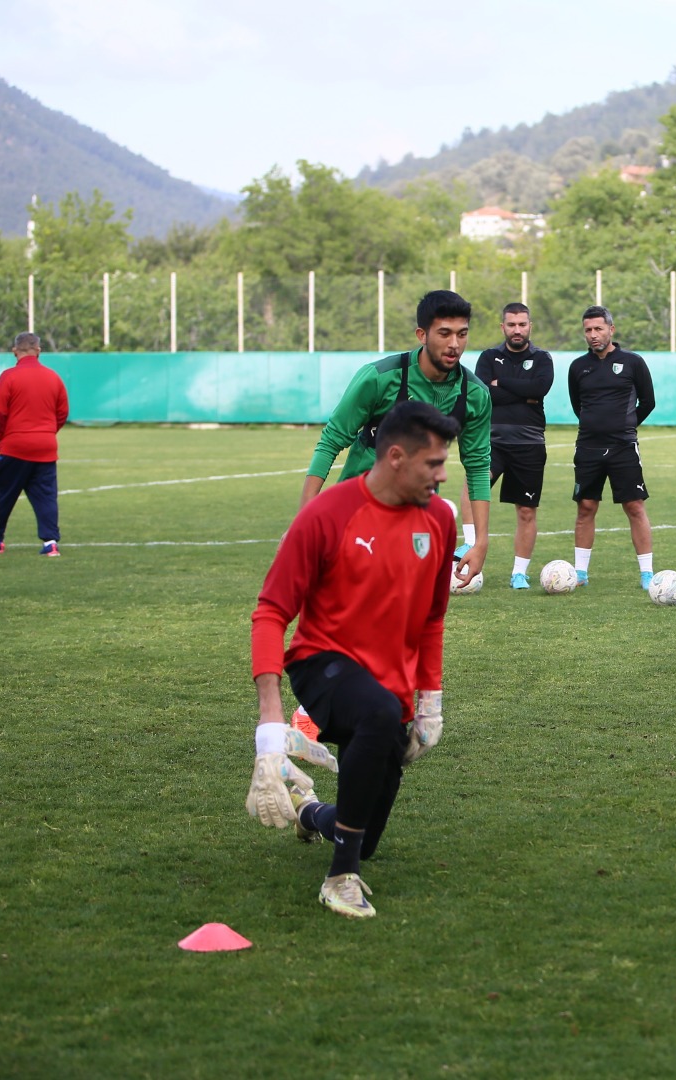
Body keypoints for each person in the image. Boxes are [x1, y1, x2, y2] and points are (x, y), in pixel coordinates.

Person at [248, 401, 460, 919]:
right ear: (394, 457)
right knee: (376, 714)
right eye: (433, 463)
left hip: (391, 682)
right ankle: (340, 879)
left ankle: (311, 814)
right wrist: (270, 722)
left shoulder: (438, 520)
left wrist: (429, 702)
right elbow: (271, 613)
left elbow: (432, 620)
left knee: (363, 832)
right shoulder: (327, 515)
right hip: (322, 663)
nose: (443, 473)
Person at [301, 290, 492, 586]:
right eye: (444, 333)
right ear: (422, 334)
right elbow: (330, 442)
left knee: (405, 611)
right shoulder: (378, 378)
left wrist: (480, 542)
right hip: (357, 511)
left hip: (417, 519)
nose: (455, 344)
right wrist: (305, 521)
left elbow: (478, 466)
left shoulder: (475, 395)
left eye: (462, 334)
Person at [568, 305, 656, 588]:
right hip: (588, 447)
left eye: (598, 329)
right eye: (588, 330)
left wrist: (626, 425)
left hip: (623, 447)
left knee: (634, 506)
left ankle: (646, 573)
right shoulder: (578, 367)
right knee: (586, 506)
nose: (593, 335)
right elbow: (577, 406)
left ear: (611, 329)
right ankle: (580, 573)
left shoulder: (632, 362)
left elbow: (648, 402)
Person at [468, 302, 553, 589]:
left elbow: (539, 389)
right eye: (512, 324)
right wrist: (521, 392)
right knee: (472, 490)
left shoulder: (542, 358)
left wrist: (501, 382)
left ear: (530, 326)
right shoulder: (489, 356)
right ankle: (468, 546)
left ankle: (519, 573)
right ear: (503, 327)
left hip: (529, 444)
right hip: (492, 442)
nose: (517, 330)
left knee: (526, 511)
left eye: (522, 324)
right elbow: (483, 394)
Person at [0, 332, 68, 556]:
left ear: (15, 351)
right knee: (45, 497)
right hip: (46, 447)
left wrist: (1, 437)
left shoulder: (9, 376)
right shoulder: (53, 377)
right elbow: (62, 412)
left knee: (3, 493)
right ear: (39, 350)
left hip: (15, 446)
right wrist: (46, 433)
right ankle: (50, 543)